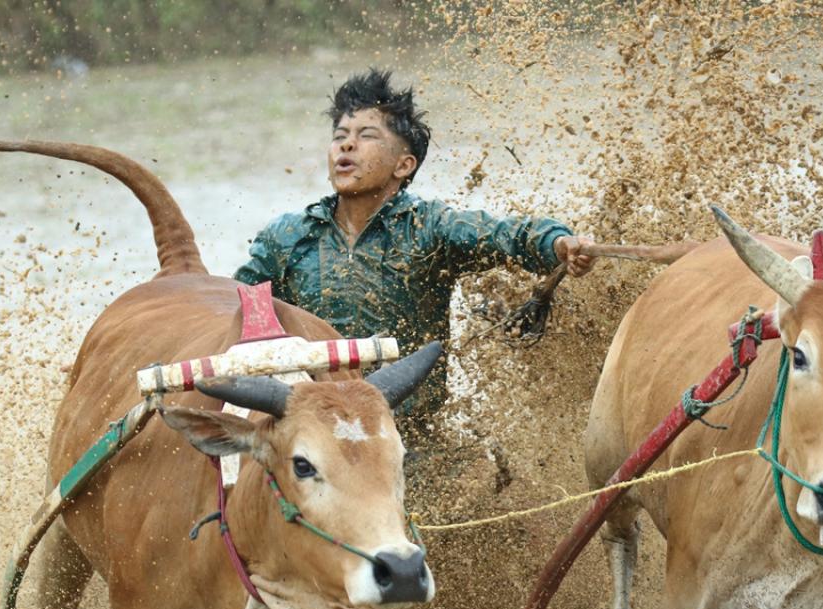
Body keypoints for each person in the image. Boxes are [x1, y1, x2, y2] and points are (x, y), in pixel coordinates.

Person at [235, 69, 595, 431]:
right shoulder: (285, 237)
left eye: (366, 136)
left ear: (403, 165)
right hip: (311, 432)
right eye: (340, 136)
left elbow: (506, 233)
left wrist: (557, 242)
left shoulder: (429, 228)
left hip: (407, 434)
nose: (346, 145)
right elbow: (230, 312)